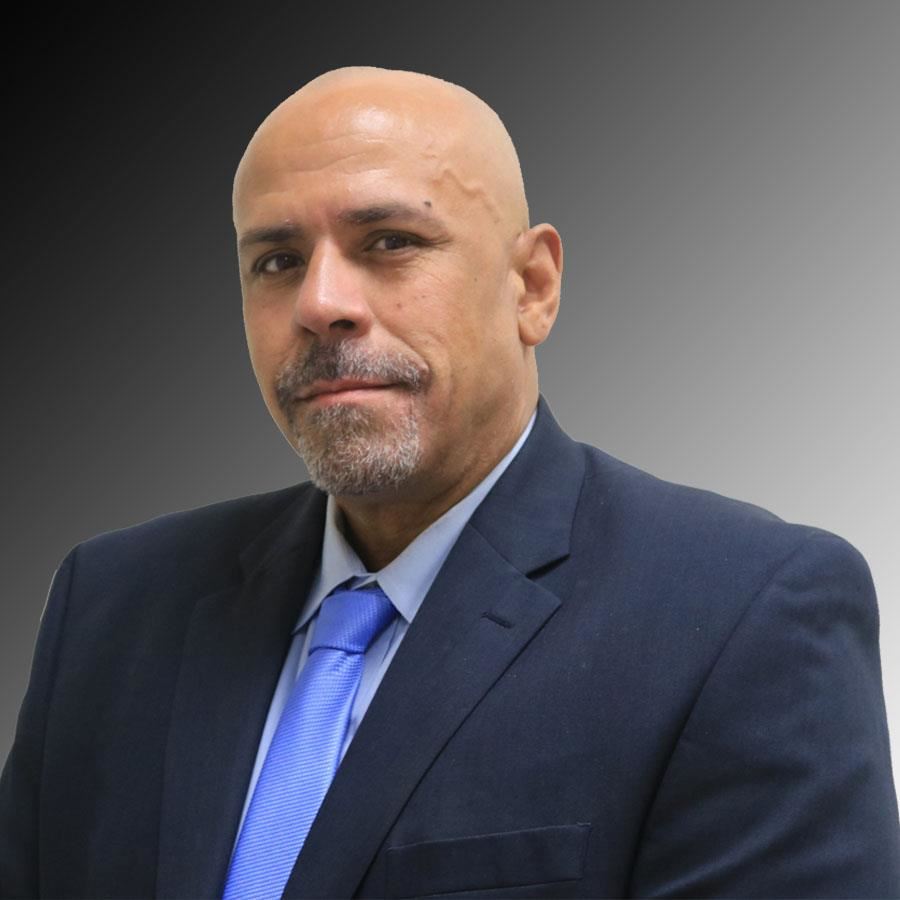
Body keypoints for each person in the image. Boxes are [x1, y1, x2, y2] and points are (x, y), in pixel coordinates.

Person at [1, 66, 898, 899]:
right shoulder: (112, 604)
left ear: (533, 287)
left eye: (390, 241)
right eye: (276, 260)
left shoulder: (741, 616)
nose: (321, 304)